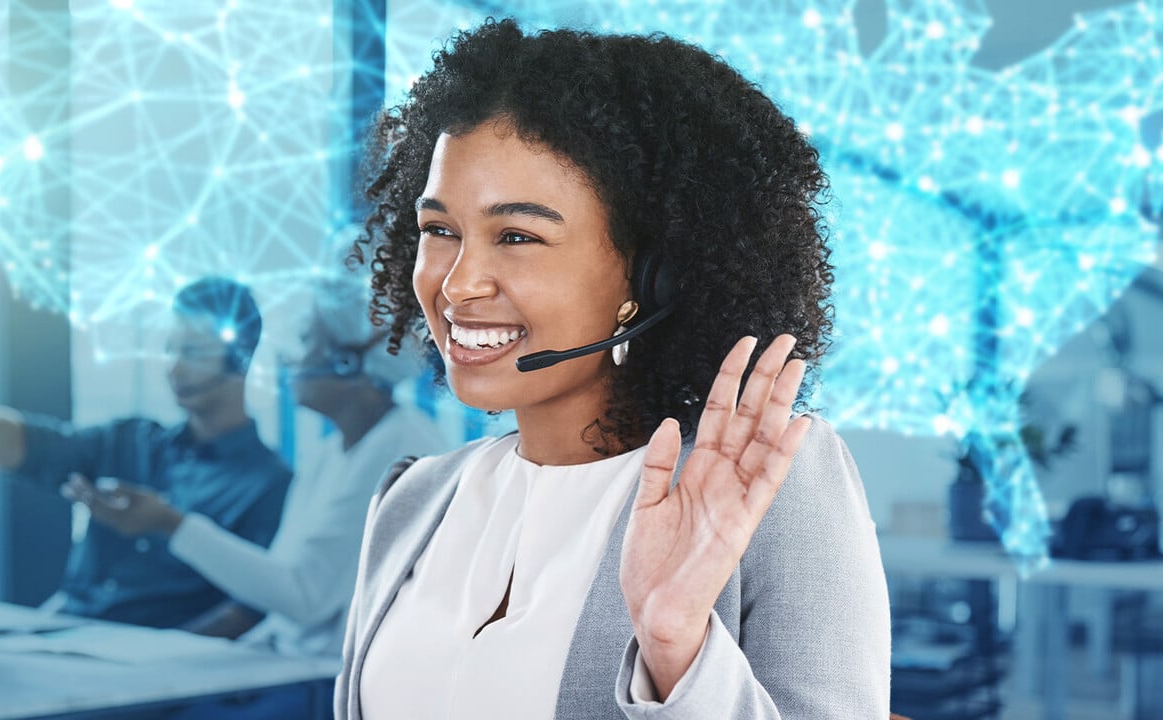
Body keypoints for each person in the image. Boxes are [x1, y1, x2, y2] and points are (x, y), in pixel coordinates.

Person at [335, 19, 890, 720]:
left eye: (517, 236)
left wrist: (677, 650)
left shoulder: (769, 483)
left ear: (651, 275)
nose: (457, 284)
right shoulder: (413, 500)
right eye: (439, 230)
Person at [72, 274, 451, 717]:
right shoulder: (331, 451)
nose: (290, 357)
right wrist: (177, 654)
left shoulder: (402, 448)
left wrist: (171, 525)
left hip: (332, 689)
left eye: (307, 340)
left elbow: (304, 599)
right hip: (288, 668)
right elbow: (284, 605)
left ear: (349, 361)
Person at [0, 277, 292, 631]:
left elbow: (247, 611)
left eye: (192, 353)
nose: (173, 368)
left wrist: (155, 658)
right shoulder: (131, 440)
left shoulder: (270, 485)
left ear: (239, 358)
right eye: (170, 350)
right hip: (61, 631)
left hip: (153, 654)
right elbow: (37, 447)